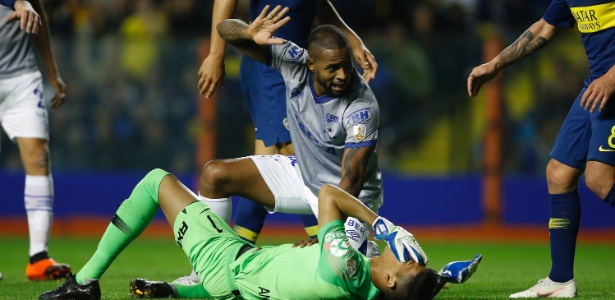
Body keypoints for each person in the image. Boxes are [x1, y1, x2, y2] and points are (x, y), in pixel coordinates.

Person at [38, 168, 481, 300]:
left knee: (157, 181)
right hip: (234, 282)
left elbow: (328, 194)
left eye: (403, 262)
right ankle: (175, 291)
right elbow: (409, 288)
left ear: (387, 280)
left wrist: (383, 225)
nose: (397, 254)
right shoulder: (366, 287)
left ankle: (85, 283)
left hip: (226, 260)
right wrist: (438, 275)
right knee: (236, 281)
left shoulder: (347, 267)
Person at [194, 0, 378, 258]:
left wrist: (352, 40)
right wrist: (216, 53)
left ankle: (235, 250)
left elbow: (317, 5)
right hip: (272, 65)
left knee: (270, 161)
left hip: (304, 62)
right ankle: (328, 242)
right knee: (296, 155)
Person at [467, 0, 615, 297]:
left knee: (599, 180)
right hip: (597, 87)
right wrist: (494, 64)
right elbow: (545, 26)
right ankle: (560, 280)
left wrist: (611, 78)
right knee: (558, 174)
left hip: (610, 84)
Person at [0, 0, 69, 281]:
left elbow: (38, 15)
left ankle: (38, 257)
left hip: (22, 79)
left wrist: (52, 73)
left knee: (39, 157)